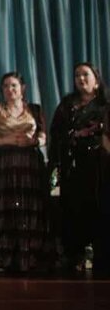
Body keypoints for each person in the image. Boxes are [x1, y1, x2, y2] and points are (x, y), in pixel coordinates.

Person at [0, 71, 50, 274]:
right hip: (4, 163)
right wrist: (5, 141)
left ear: (22, 88)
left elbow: (43, 135)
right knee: (5, 207)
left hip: (29, 163)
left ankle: (28, 256)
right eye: (5, 86)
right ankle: (3, 257)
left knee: (29, 207)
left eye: (13, 85)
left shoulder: (35, 109)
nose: (10, 90)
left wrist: (33, 141)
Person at [50, 62, 107, 274]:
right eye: (77, 76)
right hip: (72, 166)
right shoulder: (67, 105)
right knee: (72, 209)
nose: (81, 79)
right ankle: (74, 254)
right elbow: (56, 134)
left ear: (96, 78)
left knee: (99, 208)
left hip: (99, 167)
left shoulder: (104, 104)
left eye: (85, 75)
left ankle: (99, 255)